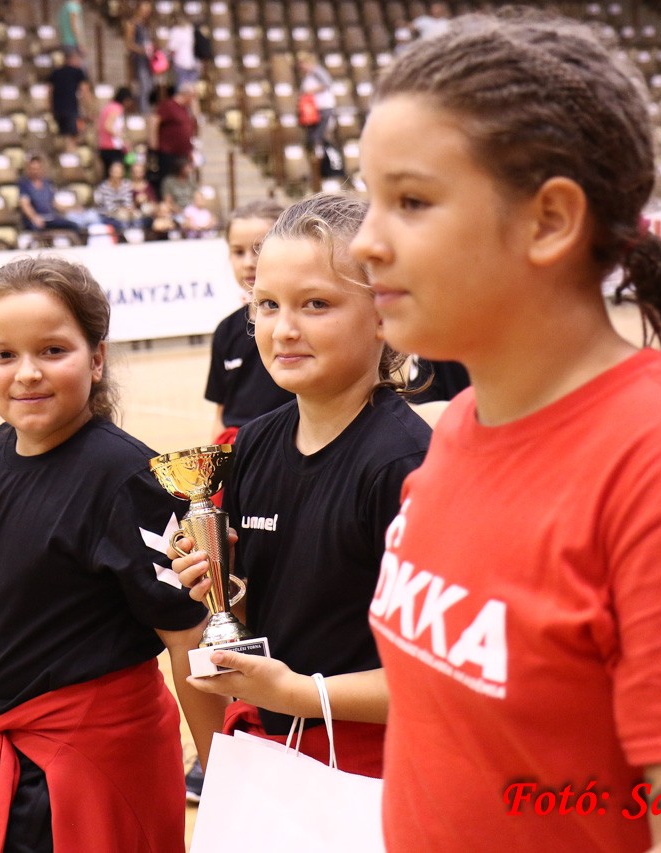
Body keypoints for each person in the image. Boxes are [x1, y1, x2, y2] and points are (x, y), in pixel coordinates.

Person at [275, 12, 661, 850]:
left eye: (411, 201)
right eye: (371, 198)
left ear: (549, 220)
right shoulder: (460, 425)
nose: (367, 244)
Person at [0, 256, 226, 851]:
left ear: (96, 358)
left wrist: (223, 777)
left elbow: (186, 635)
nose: (27, 373)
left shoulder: (126, 479)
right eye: (3, 355)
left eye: (53, 351)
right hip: (2, 752)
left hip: (92, 767)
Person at [177, 191, 430, 780]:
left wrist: (299, 694)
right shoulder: (254, 444)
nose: (285, 329)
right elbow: (272, 615)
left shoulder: (405, 466)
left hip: (376, 770)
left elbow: (440, 675)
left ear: (385, 316)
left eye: (316, 304)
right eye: (267, 304)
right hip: (276, 758)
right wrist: (221, 589)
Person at [204, 198, 294, 445]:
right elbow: (221, 414)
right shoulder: (226, 331)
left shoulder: (299, 325)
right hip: (238, 452)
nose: (248, 263)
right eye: (238, 252)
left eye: (259, 249)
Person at [17, 154, 95, 234]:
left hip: (50, 218)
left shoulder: (47, 183)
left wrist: (72, 208)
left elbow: (54, 204)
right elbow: (25, 204)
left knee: (73, 225)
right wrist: (34, 217)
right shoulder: (24, 184)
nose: (35, 171)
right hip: (35, 220)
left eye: (37, 168)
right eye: (33, 169)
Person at [151, 82, 197, 196]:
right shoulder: (168, 106)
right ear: (186, 95)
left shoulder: (185, 109)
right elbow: (154, 121)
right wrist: (153, 143)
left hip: (182, 153)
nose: (193, 100)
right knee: (167, 180)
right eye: (193, 97)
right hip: (168, 152)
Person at [49, 49, 91, 154]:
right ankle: (69, 158)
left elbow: (49, 92)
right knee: (72, 137)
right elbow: (84, 91)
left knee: (63, 136)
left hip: (58, 110)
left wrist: (51, 109)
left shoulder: (56, 73)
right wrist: (89, 109)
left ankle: (64, 157)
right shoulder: (78, 72)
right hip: (71, 110)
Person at [297, 53, 335, 158]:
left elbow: (327, 83)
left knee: (318, 133)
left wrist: (311, 91)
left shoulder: (317, 71)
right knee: (311, 134)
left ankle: (321, 155)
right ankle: (315, 155)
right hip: (313, 109)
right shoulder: (308, 75)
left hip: (323, 106)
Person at [92, 160, 141, 234]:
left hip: (124, 211)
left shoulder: (126, 184)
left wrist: (130, 209)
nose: (117, 174)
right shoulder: (104, 187)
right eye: (115, 171)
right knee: (123, 217)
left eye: (119, 172)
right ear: (110, 172)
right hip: (107, 215)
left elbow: (128, 201)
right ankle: (123, 236)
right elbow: (109, 207)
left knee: (137, 215)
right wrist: (123, 210)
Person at [124, 1, 155, 114]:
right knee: (143, 85)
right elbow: (128, 44)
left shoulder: (146, 24)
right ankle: (143, 112)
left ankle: (144, 108)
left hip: (148, 59)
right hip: (139, 59)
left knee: (149, 85)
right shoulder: (132, 24)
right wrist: (142, 49)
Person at [95, 87, 132, 178]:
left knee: (108, 174)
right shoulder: (117, 109)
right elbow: (108, 126)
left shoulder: (108, 107)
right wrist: (123, 139)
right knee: (116, 173)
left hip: (103, 146)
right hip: (112, 147)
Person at [167, 12, 199, 89]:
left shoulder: (176, 31)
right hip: (190, 63)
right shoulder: (190, 29)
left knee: (182, 89)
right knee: (188, 89)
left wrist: (168, 59)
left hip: (183, 63)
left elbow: (172, 49)